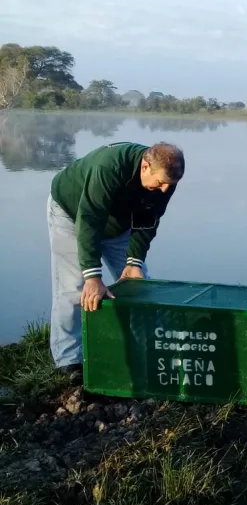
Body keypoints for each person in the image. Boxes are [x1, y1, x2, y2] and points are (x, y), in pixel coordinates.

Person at [48, 141, 185, 383]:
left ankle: (147, 347)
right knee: (74, 288)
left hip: (120, 222)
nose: (165, 190)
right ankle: (69, 359)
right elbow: (89, 219)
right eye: (161, 183)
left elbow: (148, 221)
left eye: (170, 185)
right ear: (145, 167)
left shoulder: (166, 178)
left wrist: (134, 262)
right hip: (72, 214)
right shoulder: (109, 167)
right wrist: (93, 276)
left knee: (137, 284)